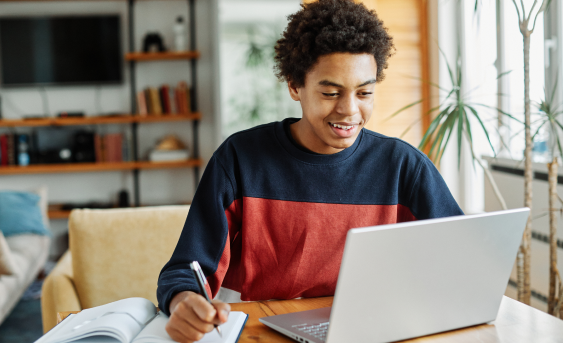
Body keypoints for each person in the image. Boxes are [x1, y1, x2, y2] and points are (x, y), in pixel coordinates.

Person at [157, 0, 463, 341]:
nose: (349, 110)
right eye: (331, 92)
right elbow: (186, 269)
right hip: (259, 331)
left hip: (367, 331)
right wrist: (184, 301)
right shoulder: (239, 159)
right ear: (294, 85)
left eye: (365, 92)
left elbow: (461, 262)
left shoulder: (404, 167)